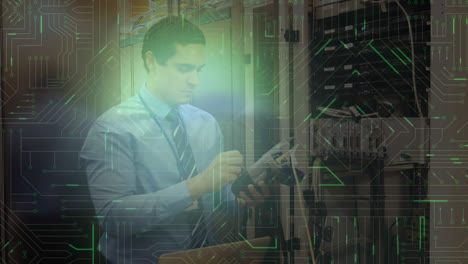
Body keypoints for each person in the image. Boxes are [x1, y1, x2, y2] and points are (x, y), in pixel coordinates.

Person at [80, 16, 268, 263]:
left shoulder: (206, 124)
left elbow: (216, 205)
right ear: (151, 61)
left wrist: (241, 201)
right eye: (184, 68)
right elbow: (115, 218)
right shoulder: (113, 128)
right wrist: (197, 185)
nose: (195, 80)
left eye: (199, 69)